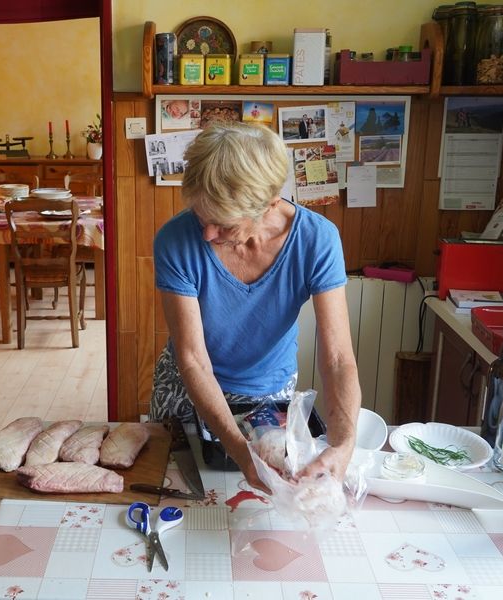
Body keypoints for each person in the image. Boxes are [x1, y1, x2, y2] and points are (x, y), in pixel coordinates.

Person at [149, 122, 360, 493]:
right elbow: (194, 361)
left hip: (268, 394)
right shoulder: (174, 240)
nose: (207, 234)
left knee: (268, 499)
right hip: (187, 387)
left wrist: (343, 446)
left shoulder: (317, 240)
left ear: (270, 203)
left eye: (223, 223)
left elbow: (339, 359)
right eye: (201, 216)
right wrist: (240, 452)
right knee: (177, 496)